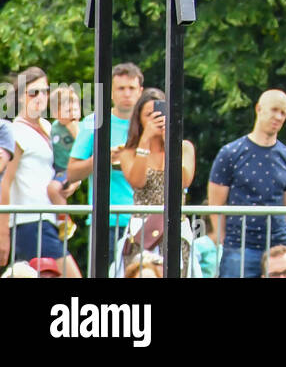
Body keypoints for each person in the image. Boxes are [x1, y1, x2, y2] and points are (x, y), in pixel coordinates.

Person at [208, 88, 286, 278]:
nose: (279, 117)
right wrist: (224, 239)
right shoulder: (230, 153)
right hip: (239, 245)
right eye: (274, 109)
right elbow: (216, 204)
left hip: (278, 245)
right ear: (258, 109)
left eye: (284, 113)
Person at [0, 68, 81, 276]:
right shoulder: (15, 131)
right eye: (33, 93)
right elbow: (5, 183)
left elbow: (64, 166)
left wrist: (70, 184)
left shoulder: (48, 127)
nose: (40, 98)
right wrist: (3, 232)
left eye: (45, 91)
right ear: (20, 97)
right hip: (29, 221)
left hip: (48, 219)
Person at [118, 89, 198, 276]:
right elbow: (137, 181)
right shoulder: (129, 152)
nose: (156, 119)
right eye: (149, 115)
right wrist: (145, 141)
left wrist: (170, 142)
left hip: (175, 230)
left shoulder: (184, 147)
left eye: (160, 114)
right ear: (139, 120)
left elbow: (184, 180)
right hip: (142, 232)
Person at [66, 62, 144, 249]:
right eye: (121, 88)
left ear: (140, 91)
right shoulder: (94, 122)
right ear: (110, 92)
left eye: (131, 88)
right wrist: (102, 160)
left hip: (145, 221)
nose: (127, 94)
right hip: (106, 222)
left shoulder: (148, 124)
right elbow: (72, 173)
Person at [49, 86, 80, 178]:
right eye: (68, 111)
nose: (73, 114)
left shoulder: (80, 128)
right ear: (55, 114)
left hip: (69, 168)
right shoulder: (53, 127)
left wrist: (75, 132)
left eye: (76, 110)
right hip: (54, 166)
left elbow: (84, 147)